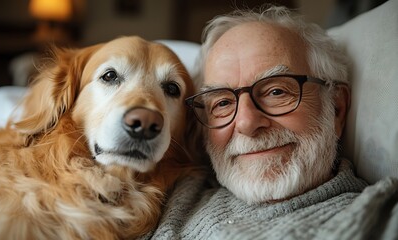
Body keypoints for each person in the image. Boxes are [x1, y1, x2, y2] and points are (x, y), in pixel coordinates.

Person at [140, 5, 398, 240]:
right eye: (222, 103)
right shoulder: (166, 192)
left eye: (276, 92)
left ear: (337, 108)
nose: (246, 123)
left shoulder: (374, 216)